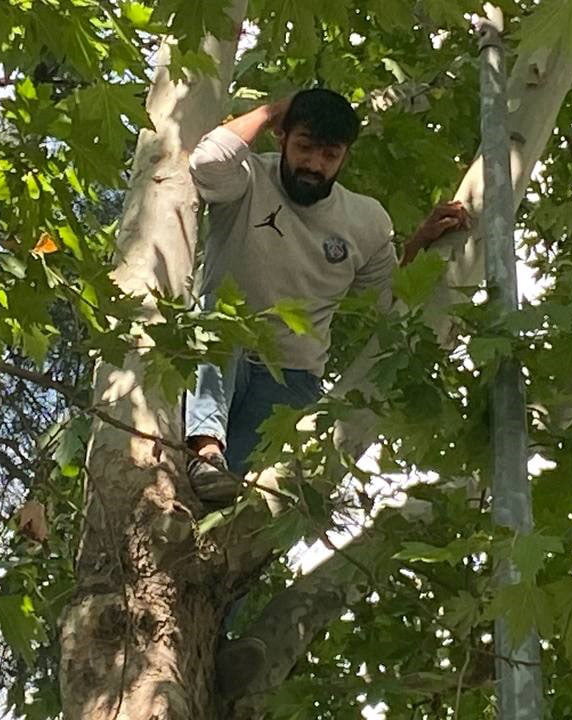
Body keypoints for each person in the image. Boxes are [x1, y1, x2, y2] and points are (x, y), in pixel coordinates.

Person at [184, 88, 469, 509]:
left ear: (345, 157)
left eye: (330, 155)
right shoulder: (247, 180)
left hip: (292, 378)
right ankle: (205, 446)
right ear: (282, 138)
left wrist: (421, 241)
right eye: (304, 147)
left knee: (224, 499)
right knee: (214, 319)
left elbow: (386, 299)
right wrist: (272, 109)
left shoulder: (366, 221)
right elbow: (206, 162)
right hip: (224, 350)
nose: (314, 165)